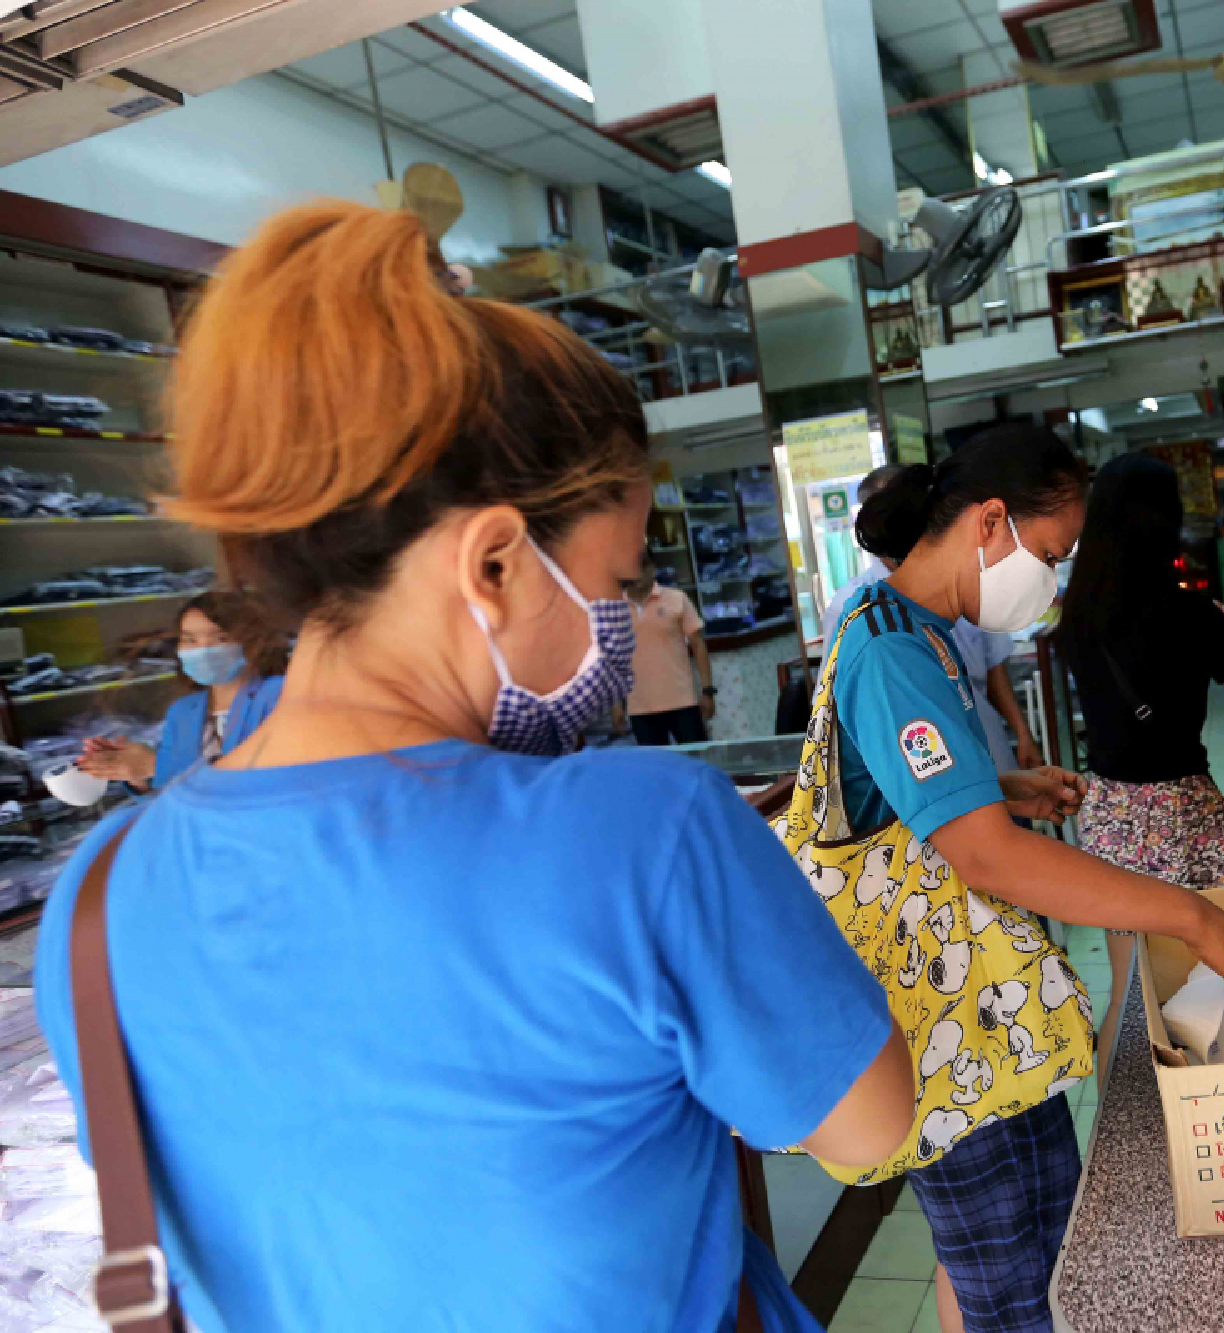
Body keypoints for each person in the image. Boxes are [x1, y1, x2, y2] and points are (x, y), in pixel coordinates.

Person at [33, 201, 911, 1333]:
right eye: (619, 576)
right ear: (494, 559)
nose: (622, 613)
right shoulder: (645, 832)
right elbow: (867, 1125)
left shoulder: (98, 898)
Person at [832, 422, 1224, 1333]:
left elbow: (903, 793)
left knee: (1047, 1251)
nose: (1050, 576)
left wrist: (999, 785)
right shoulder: (888, 647)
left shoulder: (923, 632)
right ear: (991, 520)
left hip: (983, 1013)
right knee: (1009, 1287)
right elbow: (986, 856)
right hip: (939, 1029)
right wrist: (1195, 917)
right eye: (1049, 552)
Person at [1056, 451, 1224, 1064]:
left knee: (1129, 994)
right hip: (1191, 815)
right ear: (1167, 522)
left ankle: (1125, 1130)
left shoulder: (1078, 618)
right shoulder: (1193, 615)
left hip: (1112, 818)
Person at [827, 464, 1045, 773]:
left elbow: (994, 670)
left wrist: (1023, 735)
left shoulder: (965, 583)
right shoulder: (866, 617)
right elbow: (842, 710)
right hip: (924, 776)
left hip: (985, 751)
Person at [78, 590, 285, 790]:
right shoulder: (183, 711)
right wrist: (134, 773)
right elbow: (169, 796)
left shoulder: (281, 696)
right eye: (189, 640)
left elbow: (279, 779)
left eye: (221, 638)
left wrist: (156, 765)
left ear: (255, 642)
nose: (202, 649)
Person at [625, 563, 714, 745]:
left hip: (683, 702)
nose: (636, 571)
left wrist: (707, 691)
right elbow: (612, 659)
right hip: (640, 707)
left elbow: (698, 645)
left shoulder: (677, 599)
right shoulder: (614, 608)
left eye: (642, 565)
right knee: (657, 771)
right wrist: (617, 706)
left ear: (652, 567)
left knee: (695, 763)